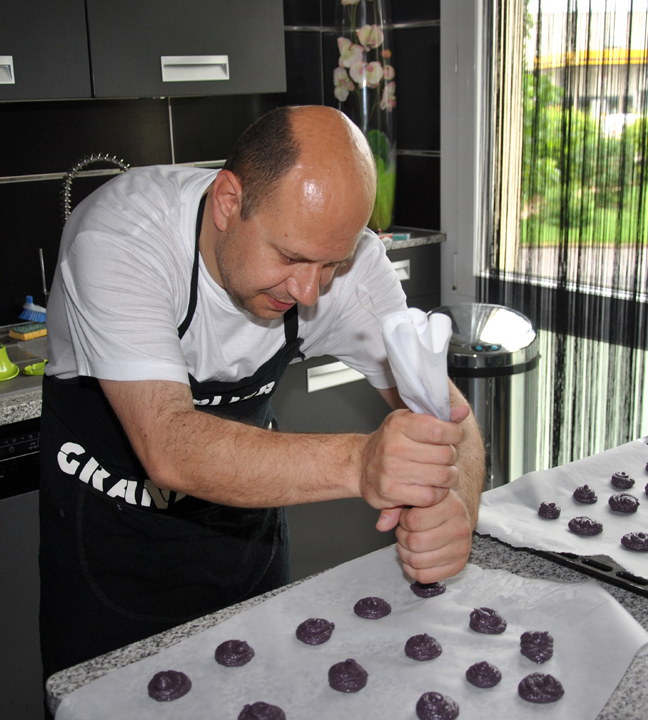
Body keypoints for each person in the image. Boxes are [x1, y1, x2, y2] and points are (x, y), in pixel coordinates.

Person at [38, 105, 485, 680]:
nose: (309, 291)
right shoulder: (122, 236)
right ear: (229, 202)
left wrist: (457, 508)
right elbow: (169, 445)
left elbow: (451, 416)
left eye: (332, 263)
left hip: (247, 550)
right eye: (291, 257)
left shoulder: (348, 268)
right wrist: (360, 462)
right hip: (111, 555)